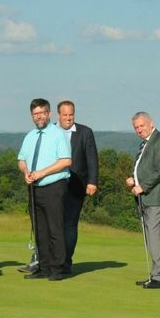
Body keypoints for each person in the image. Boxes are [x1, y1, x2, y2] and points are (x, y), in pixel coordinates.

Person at [17, 98, 71, 281]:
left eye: (41, 113)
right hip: (34, 188)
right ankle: (44, 266)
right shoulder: (30, 136)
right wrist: (26, 172)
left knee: (55, 228)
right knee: (39, 229)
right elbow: (21, 159)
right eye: (35, 114)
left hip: (54, 186)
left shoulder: (58, 134)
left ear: (48, 114)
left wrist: (42, 173)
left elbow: (66, 160)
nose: (38, 117)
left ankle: (58, 268)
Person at [127, 111, 160, 289]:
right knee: (150, 237)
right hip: (145, 198)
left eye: (142, 126)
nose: (139, 130)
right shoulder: (144, 143)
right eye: (136, 127)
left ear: (151, 123)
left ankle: (159, 277)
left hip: (156, 197)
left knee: (154, 236)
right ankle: (154, 274)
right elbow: (143, 167)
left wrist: (143, 186)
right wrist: (133, 179)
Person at [57, 100, 99, 276]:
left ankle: (66, 262)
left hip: (76, 186)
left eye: (71, 115)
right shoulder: (51, 131)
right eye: (65, 115)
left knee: (70, 225)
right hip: (53, 185)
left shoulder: (85, 132)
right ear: (58, 115)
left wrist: (92, 181)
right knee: (53, 224)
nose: (68, 118)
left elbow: (92, 158)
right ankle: (50, 260)